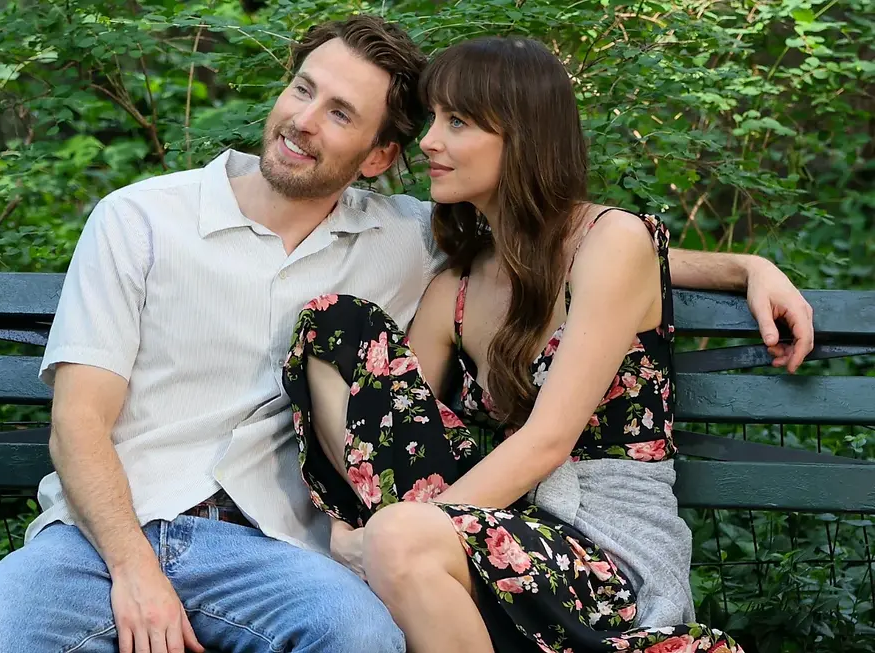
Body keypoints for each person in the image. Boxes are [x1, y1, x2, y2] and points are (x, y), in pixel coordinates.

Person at [0, 16, 812, 653]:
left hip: (295, 543)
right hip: (110, 533)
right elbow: (79, 423)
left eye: (342, 114)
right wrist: (136, 568)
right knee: (336, 326)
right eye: (302, 89)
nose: (303, 121)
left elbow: (583, 248)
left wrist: (742, 267)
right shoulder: (144, 219)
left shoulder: (421, 236)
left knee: (360, 628)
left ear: (378, 156)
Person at [281, 37, 780, 653]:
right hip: (493, 525)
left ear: (522, 136)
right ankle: (391, 552)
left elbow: (548, 440)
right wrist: (356, 523)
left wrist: (746, 266)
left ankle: (394, 553)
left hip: (607, 553)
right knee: (334, 324)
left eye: (457, 122)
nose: (429, 141)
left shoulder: (613, 242)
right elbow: (393, 431)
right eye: (433, 119)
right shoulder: (456, 288)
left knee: (399, 539)